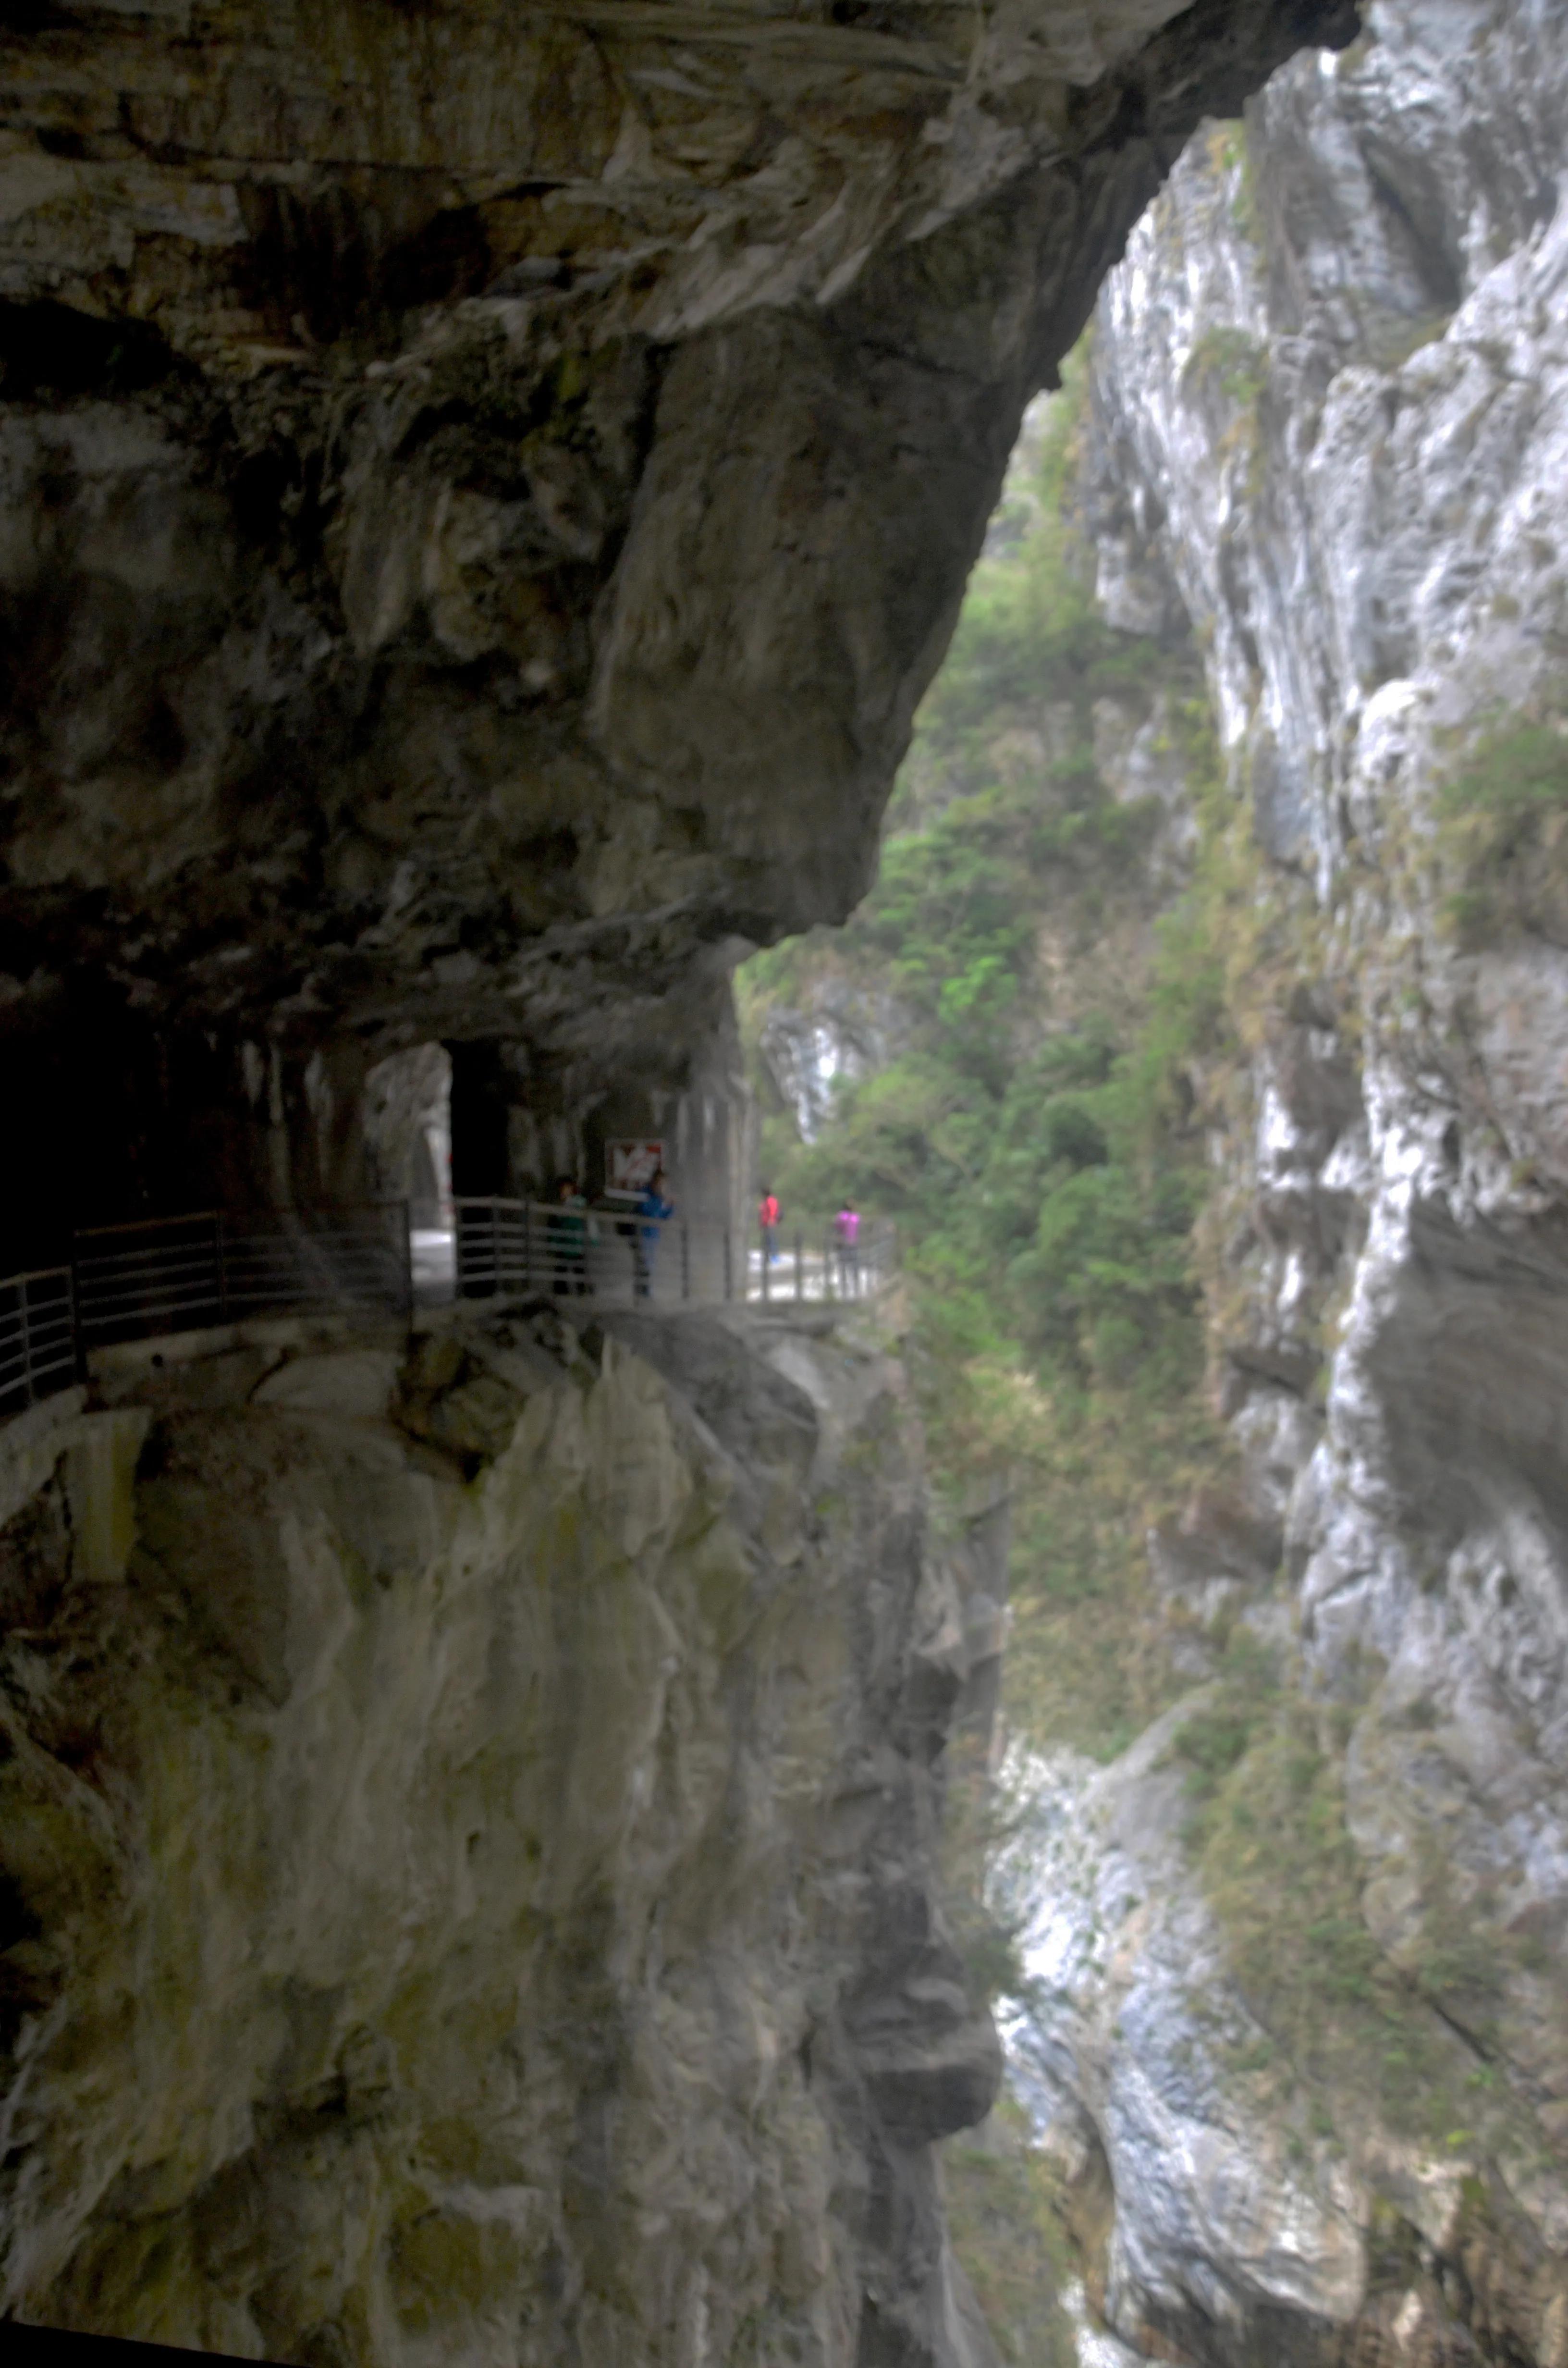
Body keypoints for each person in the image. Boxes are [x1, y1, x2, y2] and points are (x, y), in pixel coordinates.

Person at [635, 1167, 674, 1299]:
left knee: (650, 1266)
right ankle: (643, 1294)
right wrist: (660, 1200)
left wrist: (670, 1207)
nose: (662, 1186)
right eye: (660, 1183)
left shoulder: (658, 1197)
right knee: (644, 1265)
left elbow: (662, 1217)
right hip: (642, 1234)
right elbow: (647, 1213)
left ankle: (646, 1293)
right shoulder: (645, 1194)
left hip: (653, 1236)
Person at [547, 1174, 588, 1295]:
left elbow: (576, 1221)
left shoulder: (578, 1203)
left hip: (575, 1242)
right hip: (564, 1243)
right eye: (562, 1188)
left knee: (578, 1270)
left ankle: (582, 1293)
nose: (564, 1191)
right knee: (562, 1272)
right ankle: (562, 1294)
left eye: (566, 1188)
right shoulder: (559, 1205)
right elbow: (554, 1225)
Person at [834, 1197, 861, 1297]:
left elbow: (837, 1227)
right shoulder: (855, 1217)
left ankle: (848, 1285)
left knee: (847, 1265)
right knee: (850, 1265)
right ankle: (851, 1285)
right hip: (849, 1243)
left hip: (847, 1243)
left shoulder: (842, 1216)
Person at [758, 1187, 780, 1269]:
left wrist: (771, 1220)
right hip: (765, 1224)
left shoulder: (771, 1200)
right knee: (766, 1241)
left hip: (770, 1223)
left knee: (772, 1240)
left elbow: (773, 1211)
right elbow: (762, 1213)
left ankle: (775, 1257)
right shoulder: (765, 1201)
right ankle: (767, 1257)